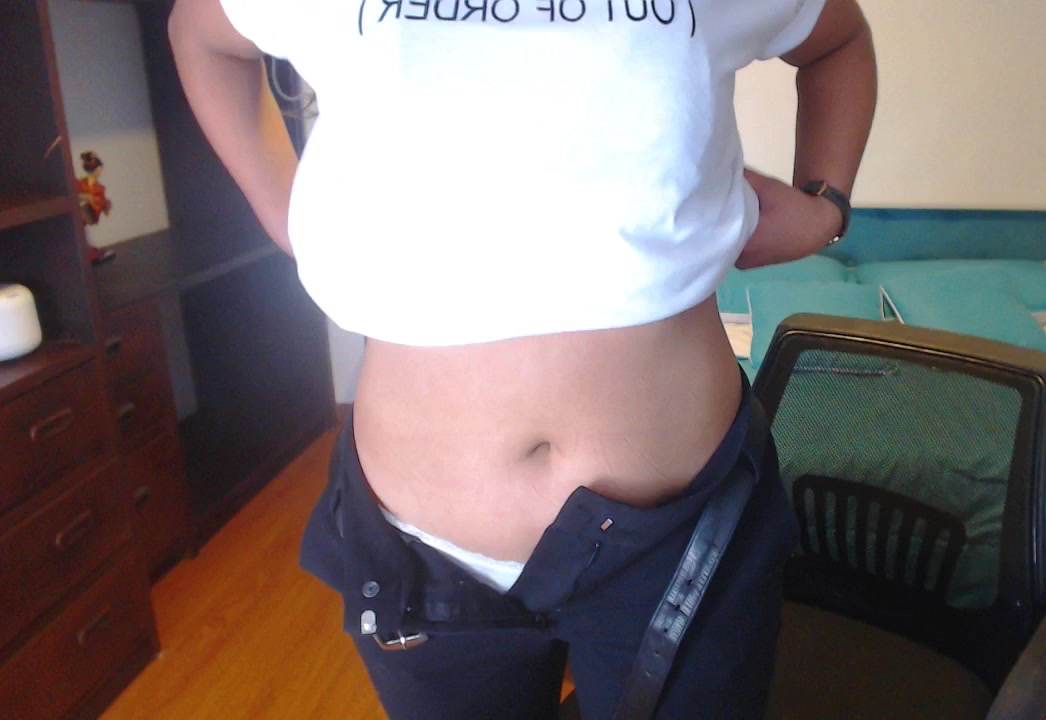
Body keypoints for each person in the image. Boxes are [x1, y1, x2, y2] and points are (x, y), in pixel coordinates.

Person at [167, 0, 876, 717]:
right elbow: (200, 34)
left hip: (682, 537)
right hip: (423, 553)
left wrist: (825, 204)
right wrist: (280, 209)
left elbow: (838, 41)